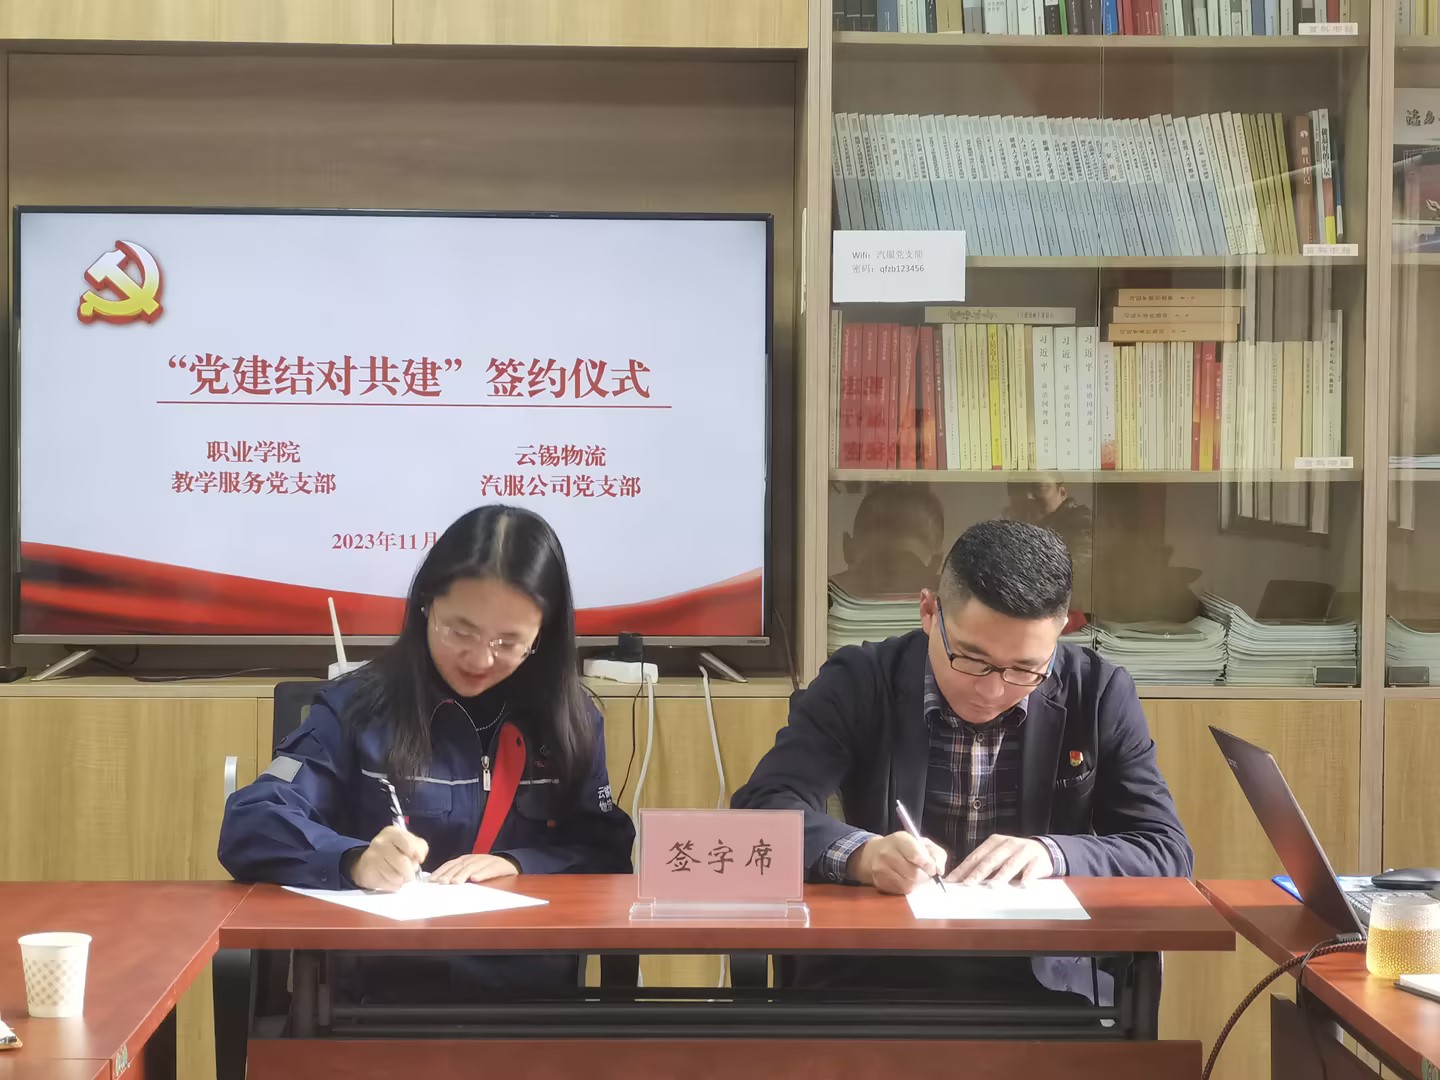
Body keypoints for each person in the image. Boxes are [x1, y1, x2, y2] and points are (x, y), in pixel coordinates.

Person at [733, 518, 1191, 1004]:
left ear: (1060, 632)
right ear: (929, 612)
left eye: (1025, 669)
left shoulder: (1097, 692)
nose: (992, 689)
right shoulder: (861, 680)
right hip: (878, 973)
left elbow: (1165, 850)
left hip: (1045, 984)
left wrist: (1052, 854)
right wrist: (864, 856)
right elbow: (762, 809)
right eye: (971, 659)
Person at [219, 504, 634, 998]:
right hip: (374, 1001)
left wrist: (521, 863)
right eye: (460, 631)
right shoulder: (358, 708)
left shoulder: (570, 721)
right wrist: (353, 860)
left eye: (509, 642)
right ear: (425, 606)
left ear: (542, 635)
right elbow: (253, 820)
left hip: (528, 997)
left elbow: (605, 851)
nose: (480, 659)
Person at [829, 483, 946, 598]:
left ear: (936, 560)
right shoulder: (827, 594)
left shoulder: (949, 598)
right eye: (876, 530)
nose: (891, 562)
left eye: (906, 557)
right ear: (848, 547)